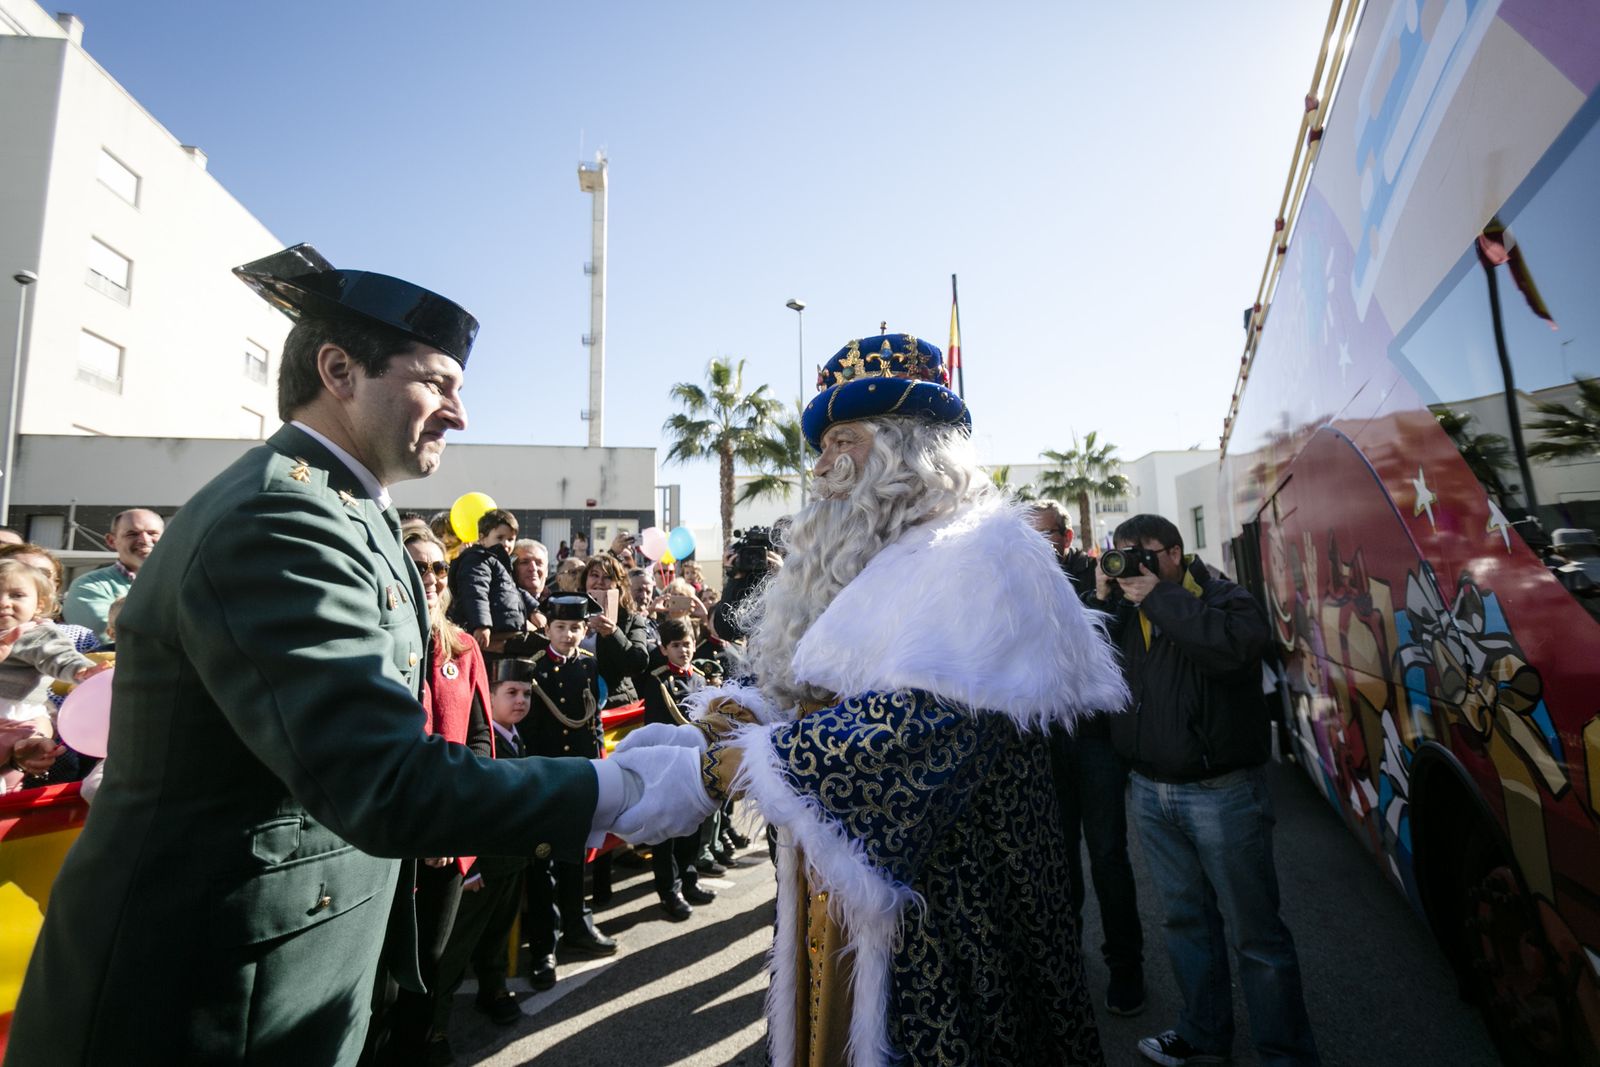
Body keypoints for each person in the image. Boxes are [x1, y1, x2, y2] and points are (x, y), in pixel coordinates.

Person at [5, 244, 695, 1066]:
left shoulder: (346, 512)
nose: (460, 412)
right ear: (338, 369)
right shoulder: (280, 517)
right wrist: (614, 788)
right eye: (438, 381)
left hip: (289, 975)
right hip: (205, 999)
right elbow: (379, 777)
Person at [615, 332, 1127, 1066]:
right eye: (819, 446)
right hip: (863, 899)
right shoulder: (880, 557)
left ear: (904, 449)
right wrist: (756, 714)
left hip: (952, 910)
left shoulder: (983, 550)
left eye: (839, 441)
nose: (820, 467)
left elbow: (924, 731)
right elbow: (835, 687)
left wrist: (722, 771)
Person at [1086, 514, 1319, 1067]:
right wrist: (1104, 600)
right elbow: (1084, 664)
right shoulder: (1128, 607)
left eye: (1139, 554)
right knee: (1185, 923)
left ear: (1173, 553)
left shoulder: (1223, 599)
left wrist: (1158, 598)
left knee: (1255, 935)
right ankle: (1202, 1033)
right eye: (1120, 555)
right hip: (1150, 790)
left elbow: (1232, 651)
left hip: (1223, 793)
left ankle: (1284, 1054)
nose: (1129, 566)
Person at [373, 529, 495, 1065]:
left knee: (431, 957)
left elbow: (478, 740)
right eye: (417, 566)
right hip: (380, 836)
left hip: (446, 835)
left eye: (438, 569)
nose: (430, 578)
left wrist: (454, 820)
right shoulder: (369, 639)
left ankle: (420, 1045)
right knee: (377, 969)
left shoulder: (463, 647)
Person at [1032, 499, 1146, 1016]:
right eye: (1031, 538)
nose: (1042, 546)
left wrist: (1103, 594)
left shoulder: (1098, 574)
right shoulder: (1020, 584)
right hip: (1045, 739)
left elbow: (1108, 647)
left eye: (1048, 536)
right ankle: (1067, 957)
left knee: (1108, 857)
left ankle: (1127, 968)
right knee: (1057, 861)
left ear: (1068, 534)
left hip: (1098, 741)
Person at [428, 658, 540, 1062]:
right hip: (480, 867)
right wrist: (468, 865)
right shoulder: (482, 742)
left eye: (526, 694)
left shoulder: (514, 737)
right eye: (510, 693)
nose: (521, 700)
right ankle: (433, 1027)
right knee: (455, 949)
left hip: (510, 861)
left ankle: (493, 991)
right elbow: (467, 808)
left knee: (497, 934)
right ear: (488, 697)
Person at [519, 591, 618, 988]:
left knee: (574, 858)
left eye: (575, 628)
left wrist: (596, 765)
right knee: (542, 864)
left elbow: (591, 720)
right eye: (560, 627)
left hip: (577, 772)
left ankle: (576, 926)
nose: (567, 635)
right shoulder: (534, 666)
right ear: (548, 627)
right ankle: (544, 945)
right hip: (544, 776)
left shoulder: (588, 664)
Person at [636, 617, 716, 921]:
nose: (684, 650)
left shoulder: (698, 677)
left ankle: (689, 878)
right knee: (665, 833)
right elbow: (657, 727)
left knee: (691, 828)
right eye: (676, 645)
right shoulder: (659, 680)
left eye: (688, 644)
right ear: (663, 649)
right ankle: (669, 890)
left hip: (694, 766)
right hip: (667, 765)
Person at [61, 508, 164, 639]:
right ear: (111, 541)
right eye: (132, 534)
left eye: (152, 533)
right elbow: (106, 636)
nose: (144, 540)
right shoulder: (89, 586)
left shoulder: (185, 580)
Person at [446, 507, 525, 652]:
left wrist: (534, 609)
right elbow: (475, 592)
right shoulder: (478, 560)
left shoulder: (501, 563)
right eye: (500, 538)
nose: (506, 544)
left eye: (510, 539)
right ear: (482, 538)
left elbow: (515, 591)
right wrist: (481, 624)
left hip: (504, 628)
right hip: (489, 631)